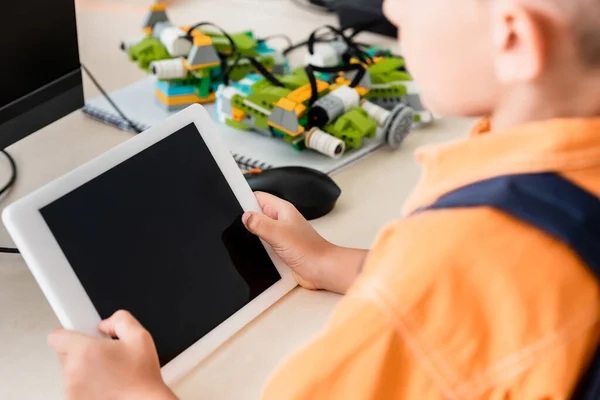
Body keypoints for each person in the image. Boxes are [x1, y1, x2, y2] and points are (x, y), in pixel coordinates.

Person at [48, 0, 600, 398]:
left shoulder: (456, 258)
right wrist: (339, 263)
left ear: (514, 40)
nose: (392, 10)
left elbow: (466, 284)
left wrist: (130, 394)